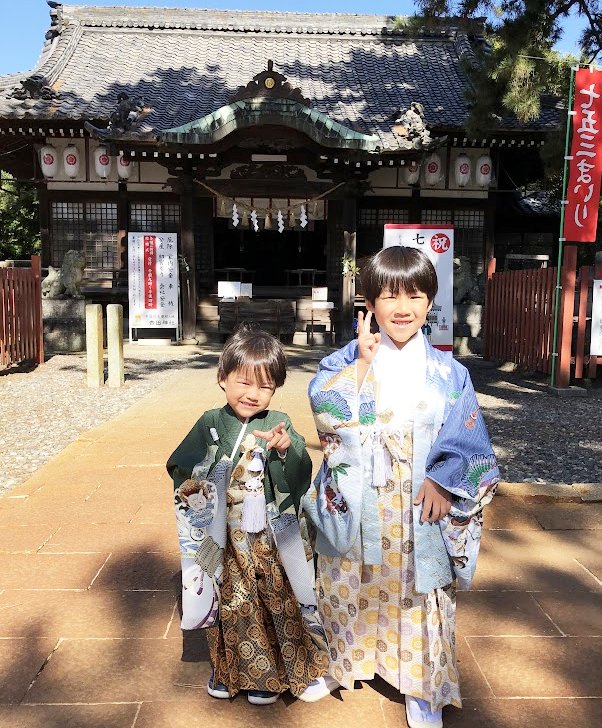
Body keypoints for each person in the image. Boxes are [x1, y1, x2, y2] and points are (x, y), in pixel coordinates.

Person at [302, 246, 499, 727]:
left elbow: (467, 435)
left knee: (416, 589)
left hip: (418, 499)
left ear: (430, 302)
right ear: (369, 303)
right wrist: (363, 366)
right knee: (348, 579)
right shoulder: (346, 359)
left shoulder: (450, 372)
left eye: (414, 295)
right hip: (358, 495)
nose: (403, 307)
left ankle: (421, 685)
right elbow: (326, 410)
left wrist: (444, 481)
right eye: (389, 296)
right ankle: (342, 662)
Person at [167, 327, 329, 705]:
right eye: (243, 382)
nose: (253, 394)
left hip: (267, 537)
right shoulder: (210, 422)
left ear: (275, 391)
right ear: (222, 379)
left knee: (273, 600)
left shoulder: (279, 422)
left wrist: (287, 450)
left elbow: (299, 475)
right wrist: (212, 471)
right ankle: (226, 670)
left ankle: (270, 675)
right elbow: (180, 466)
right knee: (228, 603)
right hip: (223, 537)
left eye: (265, 387)